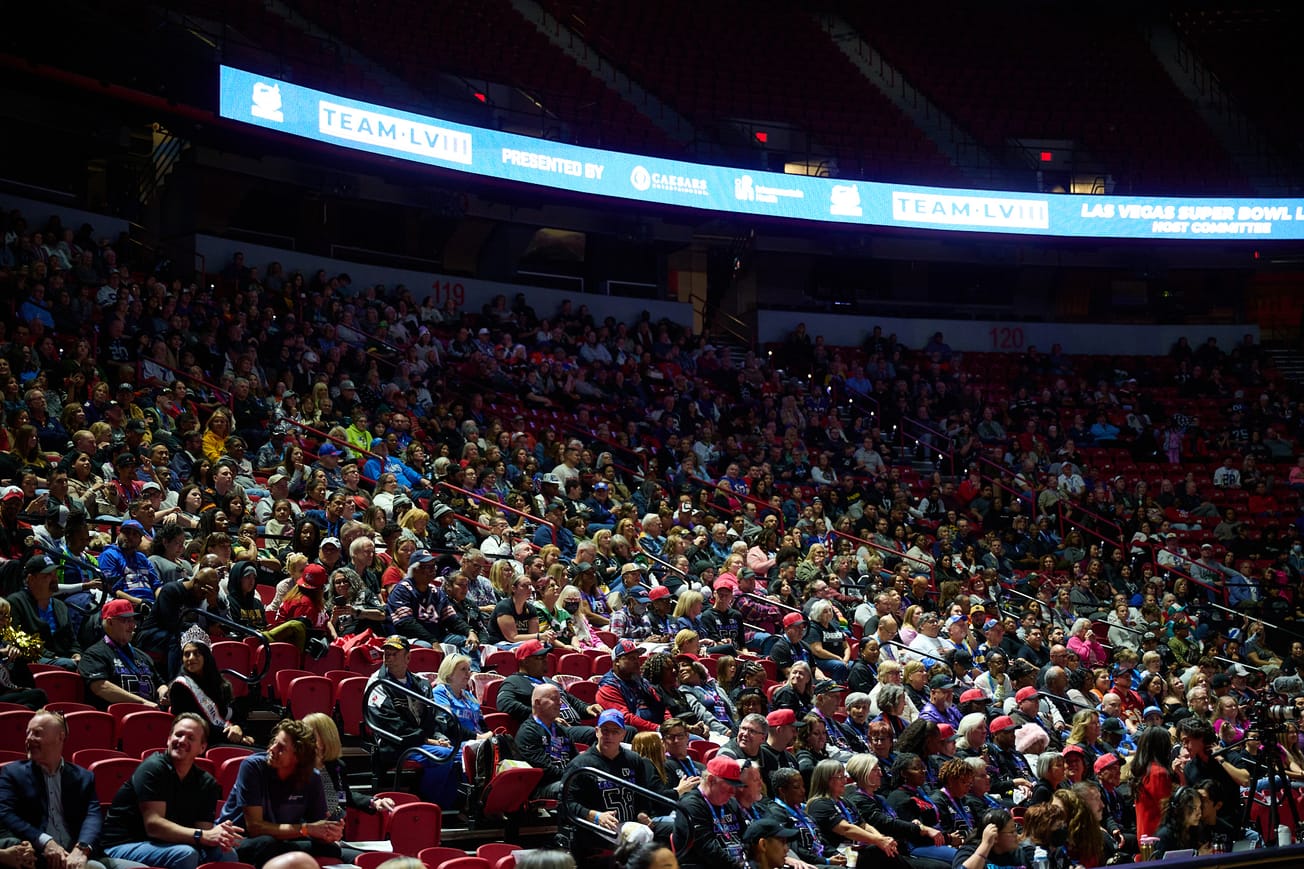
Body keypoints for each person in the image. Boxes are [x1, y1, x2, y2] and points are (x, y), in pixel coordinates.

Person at [101, 713, 242, 869]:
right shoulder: (153, 768)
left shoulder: (206, 782)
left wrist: (219, 834)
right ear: (168, 739)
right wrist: (201, 835)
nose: (182, 741)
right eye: (178, 735)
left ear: (202, 747)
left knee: (227, 854)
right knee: (185, 854)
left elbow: (204, 830)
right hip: (124, 843)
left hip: (170, 844)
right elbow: (154, 826)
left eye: (190, 738)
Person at [216, 718, 341, 866]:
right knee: (267, 844)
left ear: (298, 757)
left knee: (331, 849)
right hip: (239, 840)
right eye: (274, 742)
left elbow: (317, 827)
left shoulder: (312, 778)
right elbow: (255, 827)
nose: (271, 749)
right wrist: (307, 829)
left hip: (283, 840)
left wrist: (329, 831)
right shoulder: (252, 767)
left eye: (281, 748)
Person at [363, 635, 461, 807]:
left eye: (395, 654)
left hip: (422, 741)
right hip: (394, 744)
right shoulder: (377, 683)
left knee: (460, 754)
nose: (389, 658)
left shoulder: (421, 684)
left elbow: (433, 718)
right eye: (387, 654)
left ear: (408, 657)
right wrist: (427, 740)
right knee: (445, 755)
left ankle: (448, 808)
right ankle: (426, 803)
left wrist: (439, 736)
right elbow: (389, 724)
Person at [559, 709, 667, 862]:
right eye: (605, 731)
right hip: (594, 827)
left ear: (623, 734)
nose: (609, 736)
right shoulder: (581, 764)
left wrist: (642, 812)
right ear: (597, 732)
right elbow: (565, 804)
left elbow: (642, 796)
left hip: (630, 823)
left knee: (676, 828)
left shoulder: (634, 760)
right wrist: (594, 815)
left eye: (615, 731)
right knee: (640, 835)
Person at [0, 710, 101, 869]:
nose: (29, 739)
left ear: (60, 737)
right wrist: (45, 841)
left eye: (37, 733)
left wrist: (81, 849)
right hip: (34, 856)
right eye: (28, 733)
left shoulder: (84, 777)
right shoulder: (12, 773)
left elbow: (93, 816)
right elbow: (5, 813)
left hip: (74, 855)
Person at [301, 713, 396, 864]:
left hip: (335, 837)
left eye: (310, 734)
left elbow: (342, 797)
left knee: (382, 860)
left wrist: (374, 802)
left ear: (326, 737)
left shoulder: (336, 766)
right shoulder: (297, 768)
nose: (303, 738)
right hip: (307, 837)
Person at [169, 625, 254, 746]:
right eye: (187, 654)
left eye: (196, 654)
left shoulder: (219, 683)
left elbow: (232, 713)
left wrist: (238, 728)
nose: (191, 658)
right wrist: (233, 737)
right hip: (202, 744)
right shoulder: (180, 687)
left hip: (225, 738)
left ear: (206, 657)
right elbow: (196, 725)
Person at [78, 599, 168, 710]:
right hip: (117, 719)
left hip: (151, 716)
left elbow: (160, 683)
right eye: (126, 621)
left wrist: (164, 692)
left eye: (133, 620)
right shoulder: (94, 654)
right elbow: (100, 687)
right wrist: (142, 703)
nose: (133, 626)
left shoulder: (142, 656)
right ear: (110, 622)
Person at [805, 758, 900, 859]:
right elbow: (846, 829)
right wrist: (878, 841)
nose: (845, 781)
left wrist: (881, 838)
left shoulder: (844, 801)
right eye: (840, 777)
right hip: (838, 856)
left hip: (856, 851)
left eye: (844, 776)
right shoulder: (819, 804)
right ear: (825, 780)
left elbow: (863, 825)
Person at [1177, 717, 1249, 838]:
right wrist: (1180, 775)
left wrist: (1221, 760)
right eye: (1182, 742)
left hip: (1232, 825)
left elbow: (1245, 780)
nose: (1185, 746)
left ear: (1201, 737)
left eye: (1187, 740)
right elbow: (1189, 800)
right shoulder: (1190, 767)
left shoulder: (1228, 756)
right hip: (1204, 829)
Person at [7, 555, 79, 670]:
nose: (55, 578)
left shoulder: (60, 605)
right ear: (31, 579)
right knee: (68, 665)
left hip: (62, 658)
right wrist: (54, 657)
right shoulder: (15, 603)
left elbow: (72, 640)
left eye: (55, 574)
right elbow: (19, 639)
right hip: (34, 658)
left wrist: (77, 654)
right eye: (48, 575)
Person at [677, 754, 747, 868]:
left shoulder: (731, 803)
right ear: (711, 780)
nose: (733, 792)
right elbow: (708, 849)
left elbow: (746, 837)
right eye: (729, 787)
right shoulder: (690, 806)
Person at [516, 683, 580, 799]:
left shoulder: (561, 730)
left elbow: (575, 759)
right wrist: (574, 776)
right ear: (537, 703)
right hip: (543, 787)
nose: (560, 703)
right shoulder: (528, 732)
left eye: (560, 699)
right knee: (575, 787)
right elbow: (545, 770)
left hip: (566, 779)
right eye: (554, 699)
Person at [1125, 725, 1173, 841]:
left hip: (1144, 833)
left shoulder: (1143, 770)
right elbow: (1166, 809)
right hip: (1158, 835)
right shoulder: (1158, 773)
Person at [953, 809, 1026, 869]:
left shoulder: (1018, 854)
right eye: (1011, 832)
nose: (1016, 835)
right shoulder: (969, 852)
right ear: (995, 836)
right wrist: (986, 845)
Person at [1152, 785, 1207, 858]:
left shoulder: (1193, 831)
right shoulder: (1164, 837)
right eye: (1194, 808)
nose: (1199, 813)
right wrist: (1196, 856)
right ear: (1179, 809)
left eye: (1199, 807)